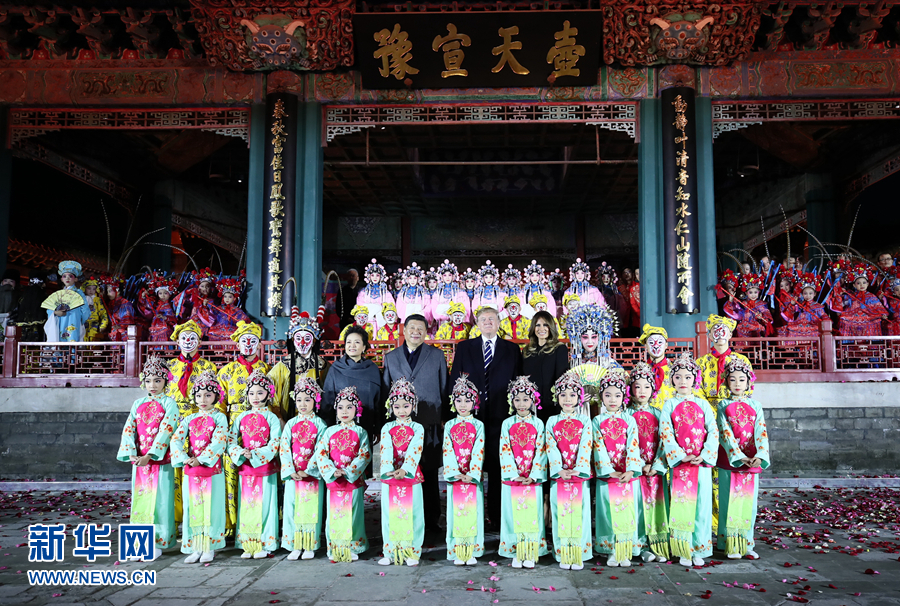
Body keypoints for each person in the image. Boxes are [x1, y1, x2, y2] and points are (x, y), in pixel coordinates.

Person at [449, 306, 523, 529]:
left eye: (492, 319)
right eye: (483, 319)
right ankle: (471, 517)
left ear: (499, 323)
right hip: (471, 416)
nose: (488, 322)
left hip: (502, 416)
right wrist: (453, 413)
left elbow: (518, 381)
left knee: (499, 466)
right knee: (470, 465)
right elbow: (455, 380)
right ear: (477, 324)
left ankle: (497, 517)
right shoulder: (465, 347)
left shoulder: (512, 349)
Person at [381, 314, 447, 531]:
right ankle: (404, 517)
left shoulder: (437, 355)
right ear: (404, 330)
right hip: (401, 425)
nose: (416, 332)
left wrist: (444, 417)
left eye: (420, 328)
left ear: (426, 332)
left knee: (428, 469)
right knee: (403, 468)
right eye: (412, 328)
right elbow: (386, 390)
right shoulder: (391, 357)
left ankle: (431, 519)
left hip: (429, 421)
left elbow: (444, 387)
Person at [116, 354, 179, 562]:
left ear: (165, 381)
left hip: (160, 460)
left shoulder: (170, 404)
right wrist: (132, 452)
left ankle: (157, 543)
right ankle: (137, 545)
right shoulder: (138, 403)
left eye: (158, 380)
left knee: (160, 501)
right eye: (149, 380)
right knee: (140, 502)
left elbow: (166, 430)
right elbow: (129, 428)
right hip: (140, 461)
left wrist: (151, 454)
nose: (153, 385)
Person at [659, 353, 719, 567]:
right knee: (682, 506)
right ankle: (683, 548)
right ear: (672, 379)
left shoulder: (703, 404)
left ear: (695, 379)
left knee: (701, 506)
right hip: (681, 464)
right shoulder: (668, 405)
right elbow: (666, 432)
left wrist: (704, 454)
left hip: (701, 463)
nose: (683, 381)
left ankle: (699, 548)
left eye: (687, 377)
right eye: (678, 377)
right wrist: (680, 455)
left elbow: (713, 431)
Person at [170, 370, 229, 564]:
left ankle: (209, 547)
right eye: (199, 395)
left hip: (212, 469)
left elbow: (219, 441)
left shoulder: (220, 418)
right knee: (193, 508)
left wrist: (202, 459)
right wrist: (185, 458)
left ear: (216, 397)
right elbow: (176, 439)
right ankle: (195, 547)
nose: (202, 399)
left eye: (208, 395)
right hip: (192, 469)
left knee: (212, 508)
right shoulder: (189, 419)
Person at [716, 358, 769, 561]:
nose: (737, 384)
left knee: (748, 504)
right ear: (726, 382)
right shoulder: (723, 405)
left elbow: (760, 431)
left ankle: (746, 544)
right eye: (732, 379)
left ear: (748, 382)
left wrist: (759, 455)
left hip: (752, 460)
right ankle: (729, 544)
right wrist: (739, 456)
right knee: (728, 501)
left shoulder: (756, 405)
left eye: (741, 379)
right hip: (730, 460)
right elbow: (725, 433)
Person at [166, 320, 218, 522]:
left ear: (199, 342)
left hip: (200, 422)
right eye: (184, 338)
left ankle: (197, 514)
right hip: (175, 420)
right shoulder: (170, 366)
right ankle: (176, 515)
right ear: (177, 341)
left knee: (196, 465)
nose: (188, 341)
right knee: (175, 465)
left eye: (192, 338)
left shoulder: (208, 366)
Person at [228, 369, 281, 559]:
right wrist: (240, 452)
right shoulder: (241, 417)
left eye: (260, 392)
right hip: (246, 466)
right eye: (251, 393)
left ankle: (266, 544)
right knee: (247, 505)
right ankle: (248, 544)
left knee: (266, 506)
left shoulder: (272, 417)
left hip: (264, 467)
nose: (255, 397)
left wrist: (256, 454)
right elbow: (231, 440)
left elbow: (275, 442)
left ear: (268, 394)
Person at [314, 386, 371, 562]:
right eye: (340, 407)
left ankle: (353, 546)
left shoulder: (361, 432)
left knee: (354, 514)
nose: (344, 411)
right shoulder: (329, 431)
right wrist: (332, 471)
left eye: (349, 407)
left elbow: (365, 454)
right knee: (334, 515)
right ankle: (335, 548)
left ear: (357, 410)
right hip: (334, 479)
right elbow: (320, 453)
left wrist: (347, 471)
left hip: (352, 479)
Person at [498, 375, 548, 569]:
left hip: (531, 477)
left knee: (532, 514)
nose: (521, 404)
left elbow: (541, 450)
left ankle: (531, 551)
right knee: (513, 514)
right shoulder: (507, 423)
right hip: (514, 477)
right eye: (517, 399)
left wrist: (533, 474)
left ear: (533, 400)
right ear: (511, 401)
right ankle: (515, 551)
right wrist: (513, 473)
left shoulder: (539, 423)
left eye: (526, 399)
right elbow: (505, 449)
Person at [592, 370, 641, 567]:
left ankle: (625, 549)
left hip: (626, 473)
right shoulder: (597, 421)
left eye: (617, 395)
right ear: (601, 397)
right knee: (608, 511)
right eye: (608, 395)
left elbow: (633, 445)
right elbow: (598, 446)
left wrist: (631, 469)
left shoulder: (630, 419)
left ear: (624, 397)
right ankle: (611, 550)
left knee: (627, 511)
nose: (613, 399)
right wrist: (608, 469)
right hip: (608, 475)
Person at [545, 371, 593, 570]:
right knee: (560, 512)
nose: (567, 399)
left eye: (572, 395)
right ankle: (563, 552)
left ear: (579, 397)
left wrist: (578, 468)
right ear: (557, 396)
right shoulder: (551, 421)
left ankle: (579, 552)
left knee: (580, 512)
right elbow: (550, 446)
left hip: (578, 475)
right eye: (563, 395)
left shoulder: (585, 420)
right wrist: (559, 469)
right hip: (560, 476)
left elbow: (586, 445)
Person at [377, 377, 426, 567]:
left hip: (410, 475)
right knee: (390, 513)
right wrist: (390, 470)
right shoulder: (387, 427)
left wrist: (405, 469)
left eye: (406, 406)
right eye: (397, 407)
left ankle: (412, 551)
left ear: (413, 405)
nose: (402, 410)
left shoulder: (417, 428)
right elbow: (386, 449)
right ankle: (390, 551)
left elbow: (415, 449)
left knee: (413, 513)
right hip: (392, 475)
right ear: (391, 407)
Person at [280, 377, 328, 561]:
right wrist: (290, 470)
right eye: (299, 399)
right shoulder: (291, 424)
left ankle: (309, 544)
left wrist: (309, 470)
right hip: (294, 474)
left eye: (307, 399)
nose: (302, 404)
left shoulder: (320, 424)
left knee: (311, 509)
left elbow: (321, 450)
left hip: (310, 475)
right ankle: (294, 544)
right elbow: (284, 448)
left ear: (315, 400)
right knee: (292, 508)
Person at [627, 362, 669, 563]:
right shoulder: (625, 415)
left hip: (655, 468)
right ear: (630, 389)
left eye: (646, 386)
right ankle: (640, 546)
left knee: (657, 505)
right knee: (636, 507)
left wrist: (656, 465)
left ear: (653, 388)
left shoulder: (659, 413)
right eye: (637, 386)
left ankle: (658, 545)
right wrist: (637, 465)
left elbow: (665, 441)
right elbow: (623, 444)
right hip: (635, 470)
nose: (642, 391)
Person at [443, 374, 485, 566]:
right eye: (458, 400)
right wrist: (454, 472)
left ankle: (473, 549)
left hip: (471, 477)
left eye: (467, 401)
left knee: (473, 511)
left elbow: (479, 449)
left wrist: (472, 473)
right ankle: (457, 549)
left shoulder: (478, 425)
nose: (462, 405)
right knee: (456, 512)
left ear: (474, 402)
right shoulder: (449, 425)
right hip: (456, 476)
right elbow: (447, 449)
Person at [322, 325, 382, 455]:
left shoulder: (372, 369)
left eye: (357, 342)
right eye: (349, 342)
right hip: (340, 429)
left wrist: (378, 429)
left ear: (364, 347)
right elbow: (327, 402)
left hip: (366, 426)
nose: (352, 345)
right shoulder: (335, 369)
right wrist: (329, 429)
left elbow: (378, 402)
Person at [269, 307, 330, 420]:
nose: (302, 343)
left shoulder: (322, 366)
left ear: (314, 341)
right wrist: (279, 417)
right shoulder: (284, 365)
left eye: (307, 338)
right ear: (293, 340)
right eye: (298, 338)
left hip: (316, 421)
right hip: (289, 420)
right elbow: (270, 389)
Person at [523, 310, 569, 425]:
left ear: (551, 327)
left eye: (545, 325)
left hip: (552, 405)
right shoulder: (527, 351)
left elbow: (561, 379)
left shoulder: (559, 349)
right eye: (537, 325)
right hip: (530, 406)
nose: (541, 329)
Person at [830, 263, 888, 336]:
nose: (862, 285)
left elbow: (878, 306)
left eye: (864, 283)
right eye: (858, 283)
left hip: (869, 317)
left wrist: (882, 314)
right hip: (852, 317)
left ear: (867, 284)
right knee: (843, 318)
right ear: (854, 285)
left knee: (876, 319)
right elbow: (841, 306)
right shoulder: (850, 295)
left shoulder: (871, 296)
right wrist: (838, 295)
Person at [45, 260, 91, 342]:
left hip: (74, 320)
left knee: (72, 340)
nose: (67, 278)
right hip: (61, 320)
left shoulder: (79, 293)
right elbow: (50, 308)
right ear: (61, 279)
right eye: (64, 276)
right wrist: (55, 313)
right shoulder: (59, 294)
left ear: (75, 279)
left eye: (70, 276)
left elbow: (85, 310)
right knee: (60, 340)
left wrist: (79, 320)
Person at [565, 303, 621, 369]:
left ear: (600, 337)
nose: (590, 342)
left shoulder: (608, 363)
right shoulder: (574, 364)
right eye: (585, 337)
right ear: (578, 338)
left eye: (594, 337)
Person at [781, 272, 829, 337]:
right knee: (789, 327)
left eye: (810, 293)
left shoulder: (818, 306)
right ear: (802, 294)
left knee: (817, 328)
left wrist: (826, 322)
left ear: (814, 294)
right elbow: (790, 314)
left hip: (813, 325)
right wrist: (792, 304)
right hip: (799, 324)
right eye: (805, 293)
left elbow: (824, 316)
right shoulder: (799, 304)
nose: (808, 296)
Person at [725, 273, 773, 337]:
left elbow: (767, 317)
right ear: (746, 293)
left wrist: (761, 316)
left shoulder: (761, 304)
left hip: (756, 328)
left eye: (755, 292)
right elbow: (732, 310)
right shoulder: (742, 303)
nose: (753, 295)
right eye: (750, 292)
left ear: (759, 292)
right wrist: (731, 300)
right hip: (743, 328)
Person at [639, 324, 675, 409]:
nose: (655, 346)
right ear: (646, 346)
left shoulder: (675, 370)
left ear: (666, 345)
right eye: (651, 343)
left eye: (660, 342)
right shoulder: (640, 370)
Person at [356, 258, 395, 332]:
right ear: (369, 276)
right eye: (372, 275)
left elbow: (391, 307)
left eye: (377, 275)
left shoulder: (386, 293)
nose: (375, 278)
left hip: (382, 323)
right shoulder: (363, 292)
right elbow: (360, 307)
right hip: (368, 322)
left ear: (381, 276)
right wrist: (377, 308)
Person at [208, 276, 250, 341]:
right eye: (225, 296)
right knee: (212, 331)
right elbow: (212, 316)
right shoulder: (219, 308)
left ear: (234, 298)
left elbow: (245, 320)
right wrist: (208, 306)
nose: (227, 299)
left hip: (232, 329)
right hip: (219, 328)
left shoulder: (237, 310)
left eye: (230, 297)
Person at [138, 272, 177, 342]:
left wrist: (164, 317)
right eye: (160, 293)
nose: (163, 295)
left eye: (165, 293)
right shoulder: (156, 304)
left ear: (170, 294)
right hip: (155, 326)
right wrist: (143, 296)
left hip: (166, 328)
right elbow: (147, 306)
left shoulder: (172, 305)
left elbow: (174, 320)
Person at [431, 259, 471, 325]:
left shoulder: (461, 292)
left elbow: (466, 308)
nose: (447, 278)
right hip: (442, 323)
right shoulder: (437, 293)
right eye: (445, 275)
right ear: (441, 277)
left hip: (458, 322)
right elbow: (435, 310)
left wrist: (455, 315)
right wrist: (447, 315)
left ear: (453, 276)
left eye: (449, 275)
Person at [16, 270, 49, 342]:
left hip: (23, 327)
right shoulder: (46, 297)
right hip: (40, 327)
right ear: (43, 285)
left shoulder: (22, 297)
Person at [102, 275, 136, 342]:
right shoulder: (110, 304)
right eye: (107, 291)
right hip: (113, 331)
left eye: (110, 291)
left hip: (124, 331)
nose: (108, 294)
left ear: (118, 291)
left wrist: (120, 326)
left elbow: (128, 320)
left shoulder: (126, 304)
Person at [596, 262, 629, 329]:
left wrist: (615, 314)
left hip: (613, 319)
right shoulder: (596, 291)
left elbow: (623, 307)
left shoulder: (615, 291)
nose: (606, 279)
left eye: (608, 277)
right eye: (603, 277)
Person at [81, 277, 109, 342]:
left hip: (94, 325)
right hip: (82, 325)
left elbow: (103, 314)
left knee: (93, 341)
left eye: (94, 289)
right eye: (89, 288)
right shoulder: (81, 300)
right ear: (84, 288)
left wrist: (103, 325)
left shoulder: (97, 300)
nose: (91, 291)